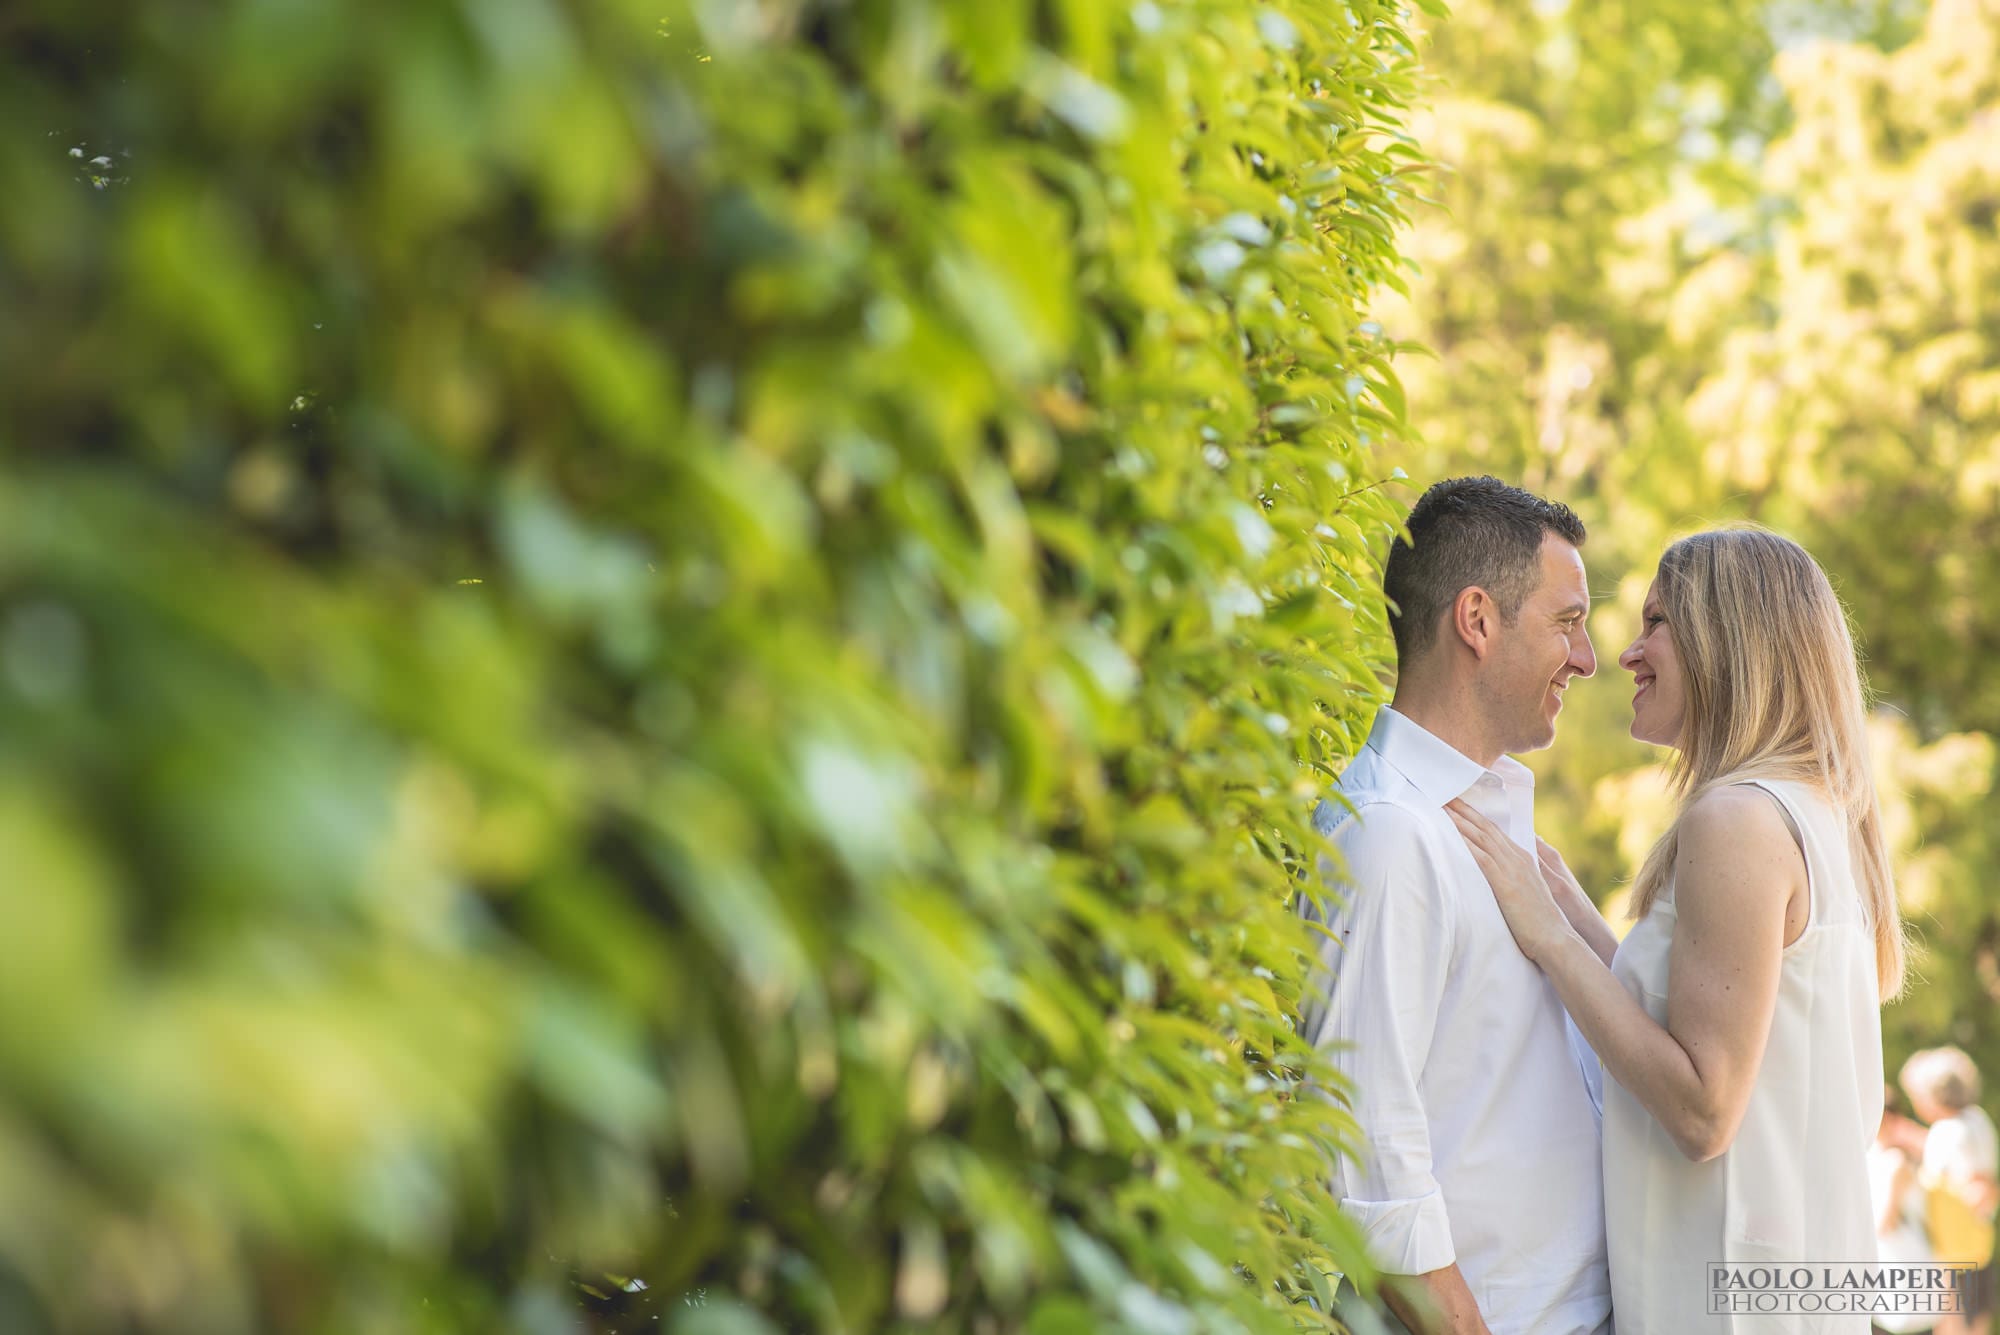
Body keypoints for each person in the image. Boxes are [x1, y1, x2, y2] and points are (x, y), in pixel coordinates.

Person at [1450, 526, 1904, 1334]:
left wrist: (1547, 937)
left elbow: (1704, 1108)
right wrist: (1570, 910)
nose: (1627, 653)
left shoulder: (1737, 819)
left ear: (1728, 641)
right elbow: (1713, 1020)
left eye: (1656, 622)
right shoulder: (1818, 814)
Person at [1297, 476, 1610, 1335]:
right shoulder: (1390, 835)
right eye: (1568, 622)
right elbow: (1365, 1162)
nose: (1586, 659)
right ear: (1477, 620)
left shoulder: (1488, 820)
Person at [1899, 1047, 1998, 1335]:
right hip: (1978, 1243)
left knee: (1953, 1326)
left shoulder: (1948, 1131)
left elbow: (1974, 1183)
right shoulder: (1975, 1119)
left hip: (1953, 1249)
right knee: (1978, 1321)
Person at [1871, 1085, 1939, 1335]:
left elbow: (1883, 1223)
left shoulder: (1894, 1162)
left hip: (1901, 1271)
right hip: (1899, 1270)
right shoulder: (1888, 1156)